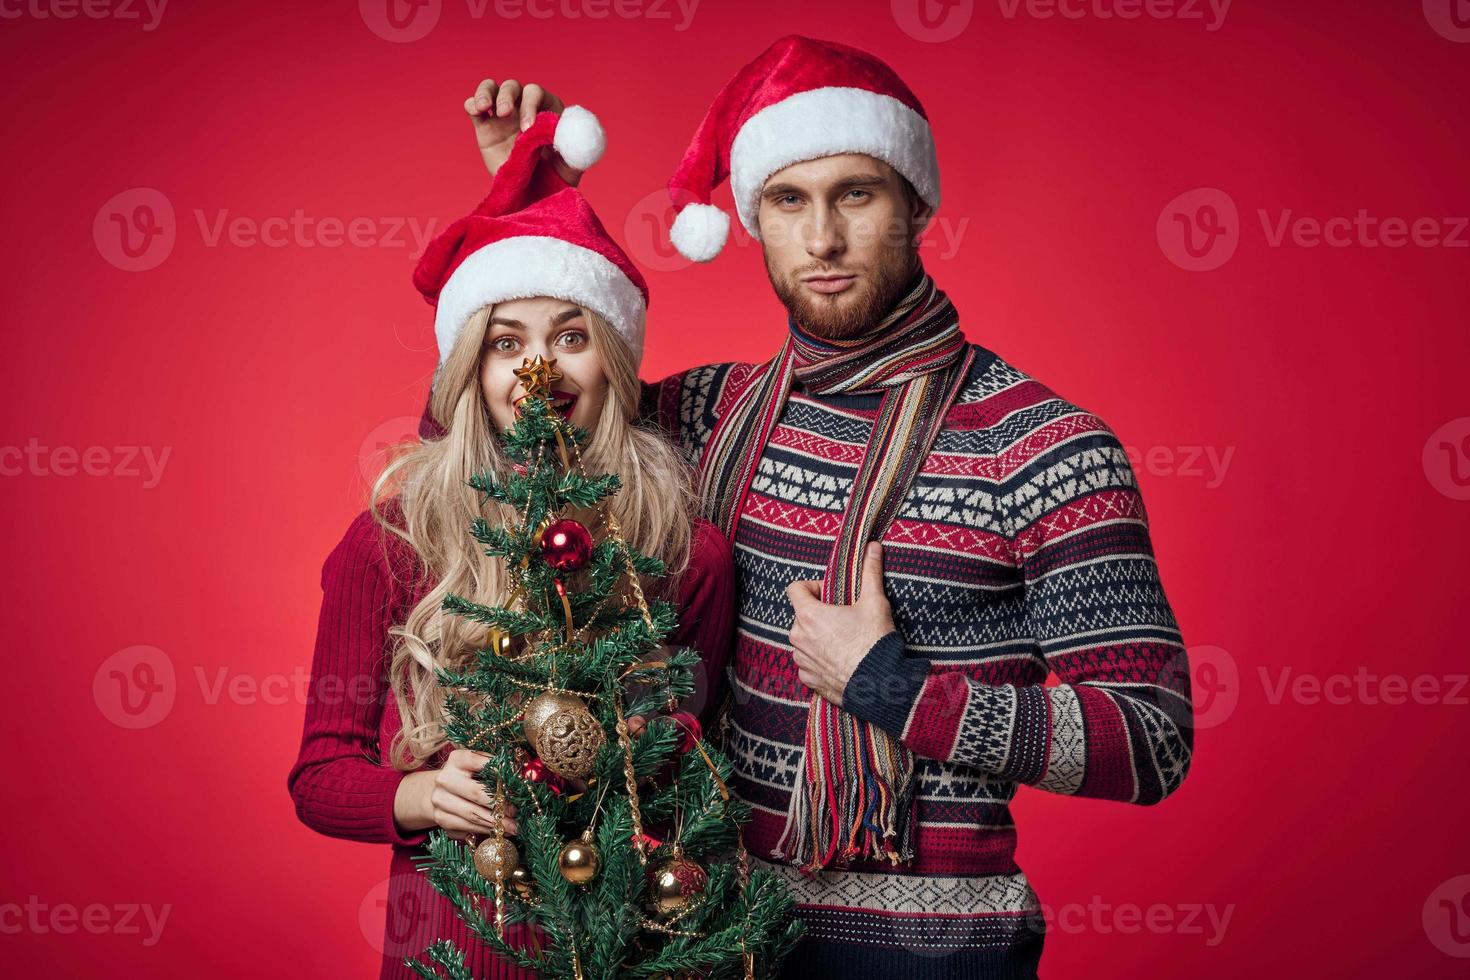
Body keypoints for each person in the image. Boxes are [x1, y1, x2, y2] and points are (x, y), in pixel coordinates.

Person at [468, 34, 1195, 979]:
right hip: (698, 927)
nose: (822, 239)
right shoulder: (702, 412)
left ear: (916, 202)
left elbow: (1153, 739)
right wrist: (528, 204)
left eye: (856, 193)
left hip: (928, 950)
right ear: (753, 218)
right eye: (788, 200)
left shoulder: (1043, 446)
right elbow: (501, 442)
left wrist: (892, 688)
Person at [286, 107, 736, 979]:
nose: (540, 370)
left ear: (612, 355)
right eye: (505, 343)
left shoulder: (685, 551)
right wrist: (416, 795)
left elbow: (700, 748)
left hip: (637, 947)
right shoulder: (395, 543)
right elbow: (318, 777)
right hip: (453, 946)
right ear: (469, 369)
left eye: (572, 336)